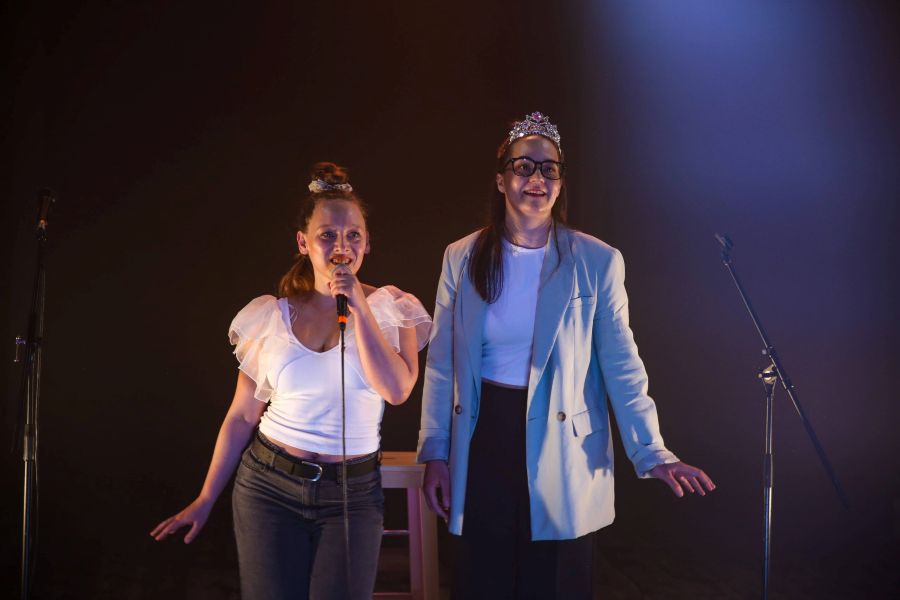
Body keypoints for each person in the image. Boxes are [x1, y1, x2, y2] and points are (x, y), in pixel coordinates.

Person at [417, 112, 716, 599]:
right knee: (482, 579)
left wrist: (652, 450)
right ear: (500, 179)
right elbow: (442, 364)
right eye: (524, 166)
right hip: (482, 434)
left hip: (563, 443)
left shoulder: (596, 260)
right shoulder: (461, 256)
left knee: (553, 582)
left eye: (549, 169)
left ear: (560, 182)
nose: (537, 178)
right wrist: (435, 452)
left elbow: (622, 364)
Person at [151, 162, 432, 600]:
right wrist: (206, 498)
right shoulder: (271, 315)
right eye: (327, 234)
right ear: (304, 242)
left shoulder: (393, 309)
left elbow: (397, 391)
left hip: (352, 495)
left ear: (367, 243)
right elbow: (243, 415)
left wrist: (358, 302)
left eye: (353, 234)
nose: (342, 244)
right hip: (269, 487)